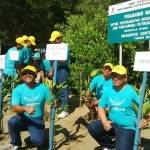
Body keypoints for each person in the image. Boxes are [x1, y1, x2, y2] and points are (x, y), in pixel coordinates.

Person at [88, 65, 140, 150]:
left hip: (127, 128)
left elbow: (143, 108)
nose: (115, 78)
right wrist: (104, 121)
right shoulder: (109, 90)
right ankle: (109, 145)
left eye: (118, 76)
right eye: (113, 76)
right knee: (93, 127)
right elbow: (101, 106)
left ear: (125, 78)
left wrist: (145, 120)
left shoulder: (132, 91)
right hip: (112, 124)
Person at [2, 65, 52, 150]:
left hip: (37, 119)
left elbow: (51, 102)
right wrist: (26, 108)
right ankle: (16, 143)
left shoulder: (43, 88)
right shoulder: (18, 90)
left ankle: (30, 139)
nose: (27, 75)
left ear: (35, 75)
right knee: (12, 122)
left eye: (30, 73)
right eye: (24, 74)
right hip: (23, 118)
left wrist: (54, 103)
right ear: (22, 77)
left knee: (39, 141)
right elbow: (14, 108)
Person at [49, 31, 70, 119]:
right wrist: (51, 71)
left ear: (59, 38)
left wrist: (55, 56)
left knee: (63, 89)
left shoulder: (65, 47)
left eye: (55, 40)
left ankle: (65, 110)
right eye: (53, 40)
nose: (54, 42)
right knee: (56, 89)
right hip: (56, 69)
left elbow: (64, 60)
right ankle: (58, 106)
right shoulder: (54, 47)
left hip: (63, 69)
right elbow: (53, 61)